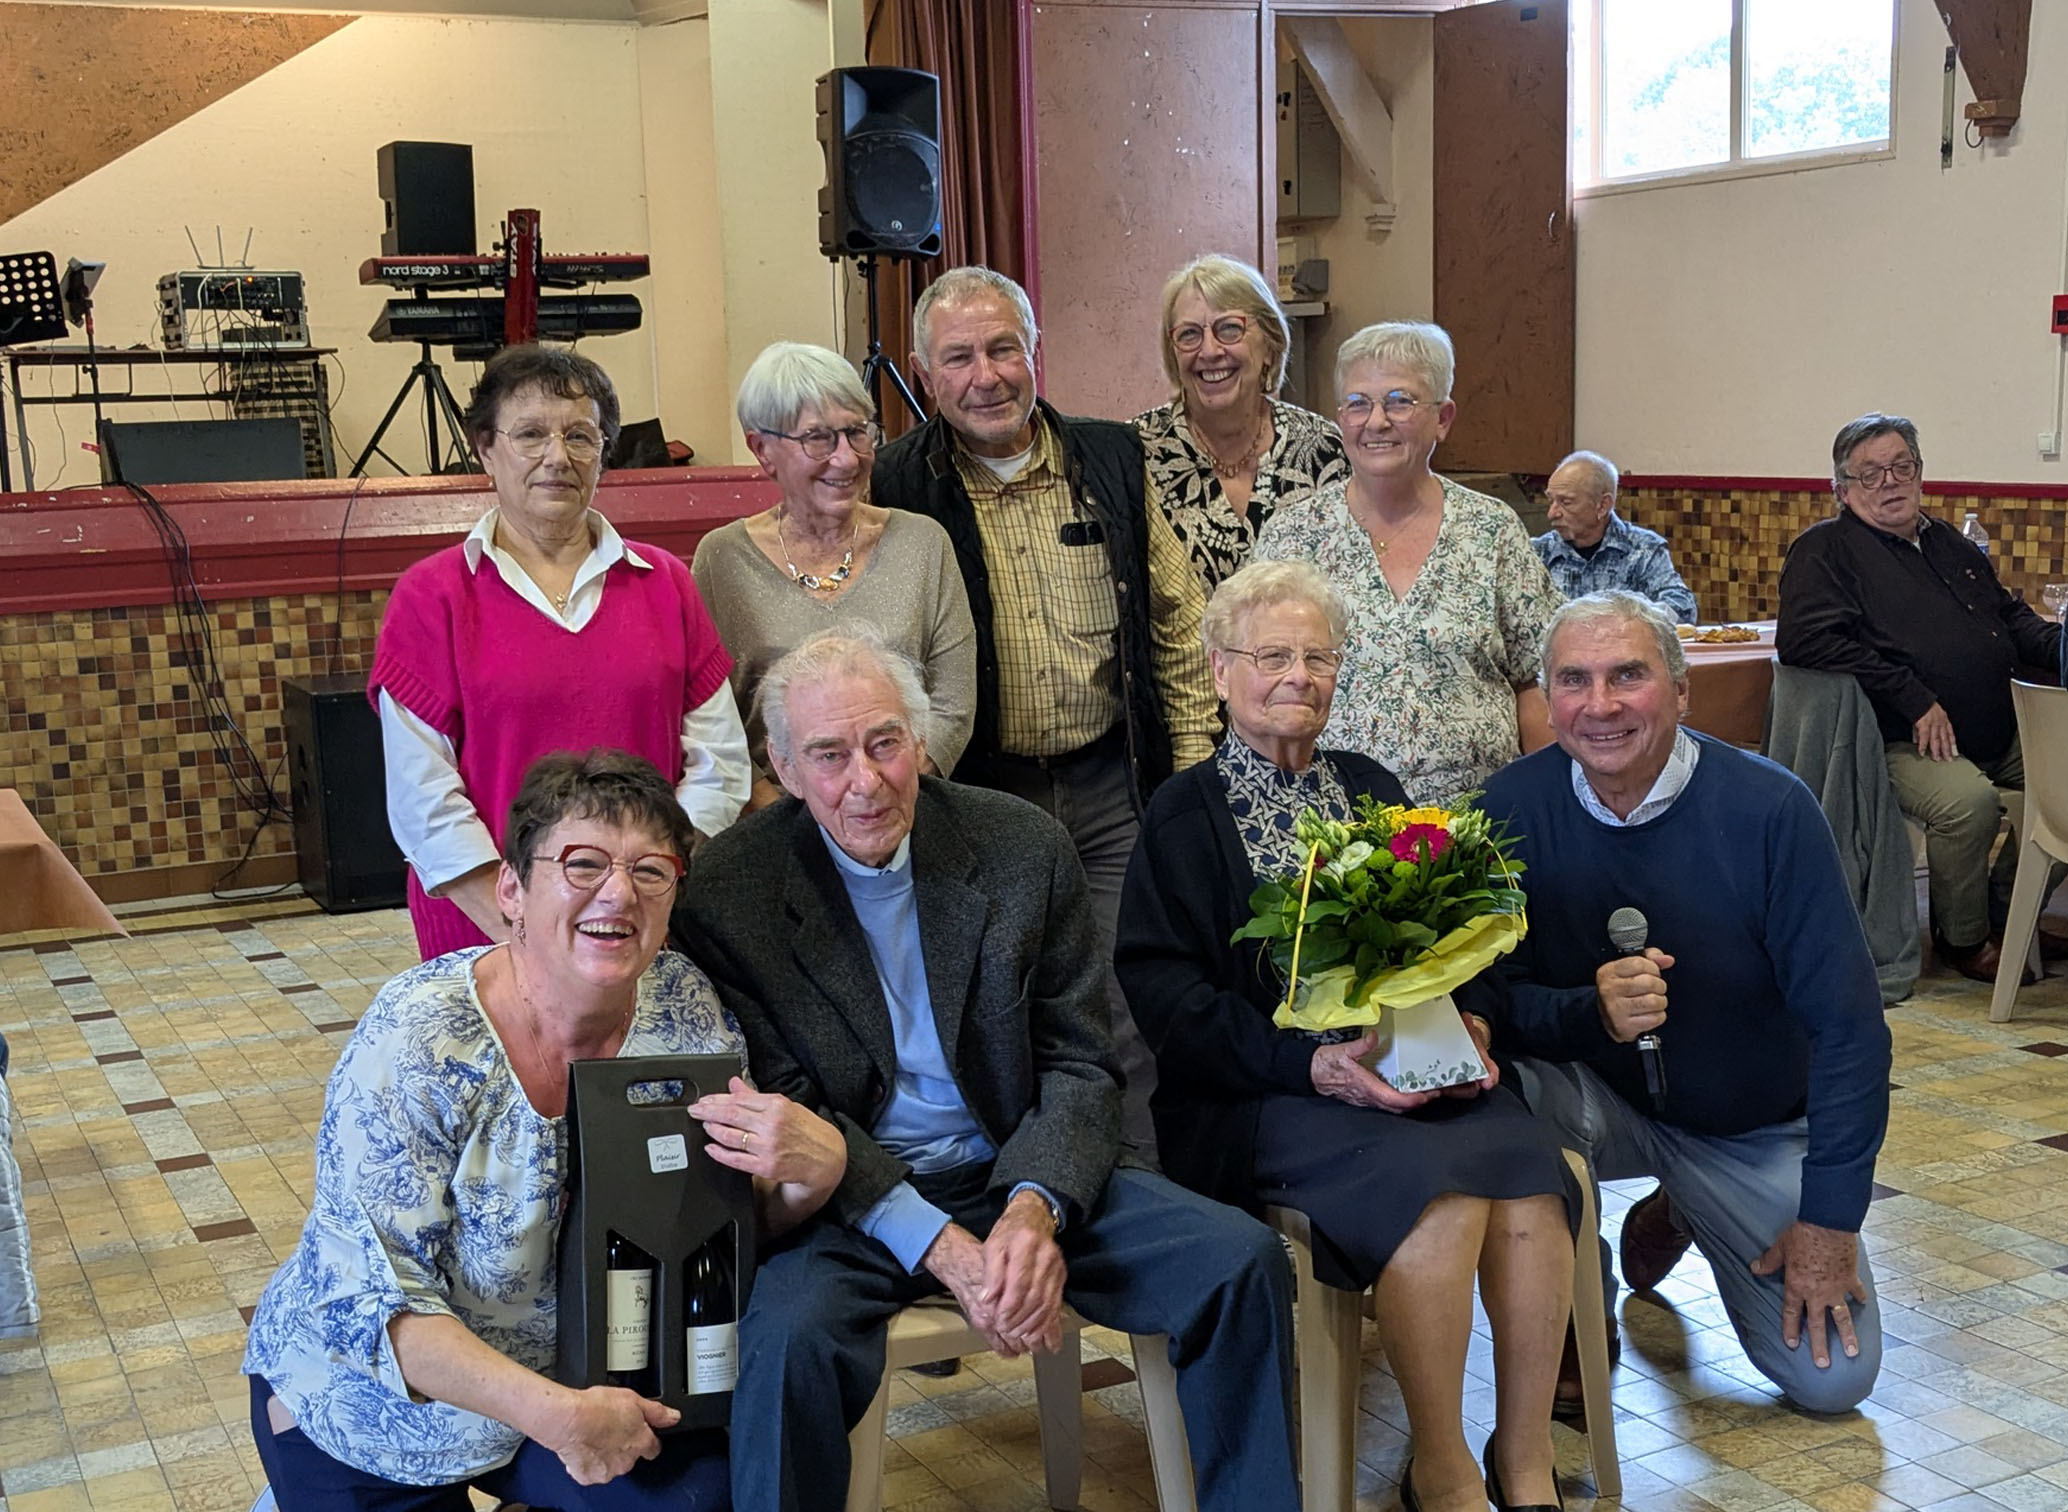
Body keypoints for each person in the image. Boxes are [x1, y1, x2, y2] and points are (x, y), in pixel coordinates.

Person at [673, 629, 1299, 1512]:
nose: (866, 780)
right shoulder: (731, 890)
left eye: (885, 742)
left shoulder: (1020, 845)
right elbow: (792, 1110)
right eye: (829, 754)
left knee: (1240, 1263)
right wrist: (945, 1248)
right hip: (852, 1195)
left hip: (1017, 1163)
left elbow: (1080, 1061)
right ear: (782, 766)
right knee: (784, 1345)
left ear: (921, 740)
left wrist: (1034, 1208)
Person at [243, 750, 848, 1509]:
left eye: (651, 870)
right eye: (582, 863)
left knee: (706, 1497)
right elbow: (375, 1303)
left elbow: (709, 1225)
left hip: (585, 1388)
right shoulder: (421, 1037)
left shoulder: (682, 1009)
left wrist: (809, 1180)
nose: (619, 893)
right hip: (380, 1405)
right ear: (511, 889)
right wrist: (558, 1416)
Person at [1116, 559, 1576, 1512]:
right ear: (1219, 672)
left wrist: (1474, 1017)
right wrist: (1314, 1066)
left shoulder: (1369, 785)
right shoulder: (1181, 814)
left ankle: (1524, 1461)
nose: (1299, 675)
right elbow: (1168, 999)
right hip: (1265, 1096)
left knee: (1532, 1182)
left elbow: (1452, 934)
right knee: (1440, 1202)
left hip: (1415, 1076)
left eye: (1318, 657)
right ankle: (1442, 1470)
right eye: (1272, 656)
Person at [1484, 591, 1891, 1416]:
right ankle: (1575, 1305)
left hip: (1750, 1129)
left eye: (1627, 676)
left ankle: (1685, 1207)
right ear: (1547, 699)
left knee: (1833, 1380)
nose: (1600, 705)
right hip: (1591, 1101)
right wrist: (1588, 1013)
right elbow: (1493, 1005)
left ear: (1680, 690)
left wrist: (1829, 1220)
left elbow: (1850, 1030)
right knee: (1498, 1101)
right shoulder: (1506, 811)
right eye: (1574, 680)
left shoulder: (1772, 811)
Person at [872, 265, 1221, 1162]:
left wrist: (1187, 784)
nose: (985, 376)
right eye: (958, 358)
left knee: (1127, 1002)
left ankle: (1139, 1188)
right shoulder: (894, 485)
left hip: (1112, 790)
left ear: (1036, 353)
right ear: (924, 372)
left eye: (1004, 349)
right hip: (979, 796)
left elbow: (1178, 624)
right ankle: (1031, 1189)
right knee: (1000, 1001)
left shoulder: (1111, 458)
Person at [370, 345, 751, 960]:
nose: (557, 456)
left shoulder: (665, 583)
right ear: (485, 448)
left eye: (580, 436)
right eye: (530, 434)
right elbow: (424, 802)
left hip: (644, 927)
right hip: (486, 932)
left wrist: (646, 894)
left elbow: (720, 763)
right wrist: (525, 935)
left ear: (604, 452)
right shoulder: (431, 596)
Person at [1778, 412, 2066, 983]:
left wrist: (2063, 649)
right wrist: (1911, 696)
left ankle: (2011, 913)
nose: (1889, 482)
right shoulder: (1825, 550)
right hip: (1898, 735)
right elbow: (1805, 640)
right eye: (1870, 473)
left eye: (1901, 466)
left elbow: (2008, 617)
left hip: (1998, 725)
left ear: (1920, 472)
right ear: (1841, 489)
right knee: (1969, 805)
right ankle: (1964, 938)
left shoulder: (1947, 541)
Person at [1251, 321, 1560, 806]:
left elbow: (1538, 681)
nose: (1376, 421)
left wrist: (1548, 802)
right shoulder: (1292, 535)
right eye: (1358, 403)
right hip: (1328, 823)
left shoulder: (1492, 529)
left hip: (1477, 823)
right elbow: (1255, 684)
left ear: (1443, 418)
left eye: (1400, 401)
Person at [693, 341, 976, 804]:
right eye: (818, 438)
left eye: (857, 432)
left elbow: (952, 708)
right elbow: (713, 719)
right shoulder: (721, 559)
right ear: (762, 450)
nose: (846, 458)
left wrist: (881, 797)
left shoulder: (923, 543)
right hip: (773, 819)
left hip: (904, 805)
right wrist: (789, 817)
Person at [1132, 253, 1348, 590]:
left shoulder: (1323, 448)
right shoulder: (1135, 452)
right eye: (1189, 335)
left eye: (1230, 329)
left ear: (1270, 345)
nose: (1209, 351)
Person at [1531, 450, 1698, 623]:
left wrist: (1627, 621)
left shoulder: (1643, 549)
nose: (1552, 513)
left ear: (1603, 505)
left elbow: (1682, 606)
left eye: (1566, 502)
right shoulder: (1537, 553)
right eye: (1550, 501)